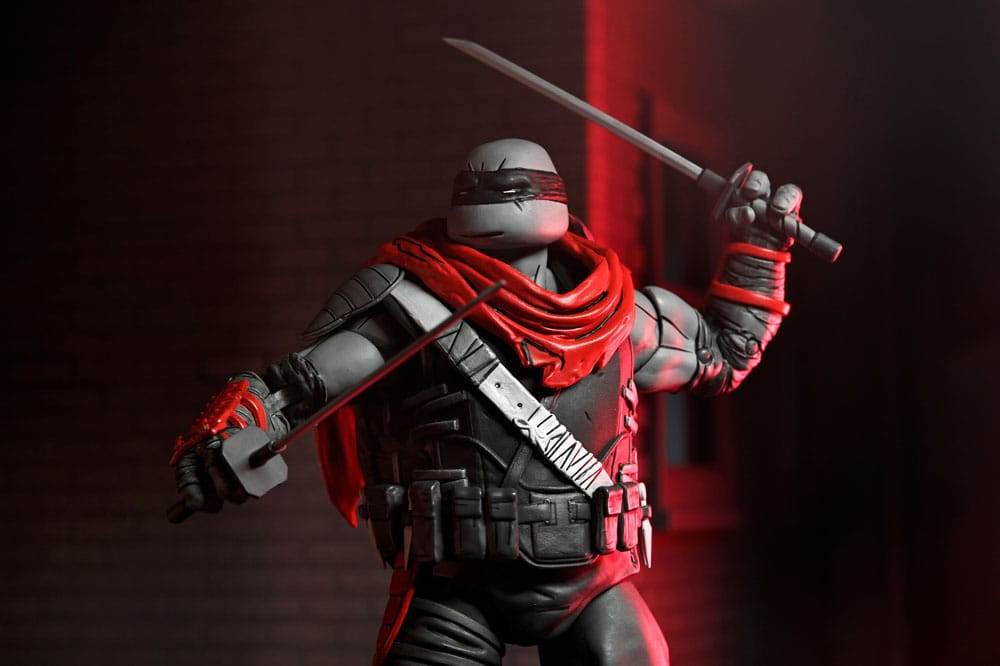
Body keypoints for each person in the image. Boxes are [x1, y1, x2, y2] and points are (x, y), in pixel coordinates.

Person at [170, 138, 801, 665]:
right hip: (458, 585)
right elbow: (293, 389)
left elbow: (725, 353)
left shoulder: (616, 313)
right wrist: (221, 438)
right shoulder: (410, 308)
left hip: (592, 582)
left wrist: (762, 247)